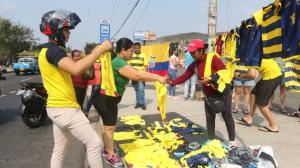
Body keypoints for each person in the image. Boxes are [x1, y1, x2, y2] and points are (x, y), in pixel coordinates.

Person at [39, 10, 112, 168]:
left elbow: (76, 67)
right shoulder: (53, 51)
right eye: (66, 30)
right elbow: (75, 69)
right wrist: (99, 50)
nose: (68, 34)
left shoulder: (46, 51)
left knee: (60, 148)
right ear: (57, 31)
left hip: (55, 108)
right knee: (95, 144)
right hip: (65, 109)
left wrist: (94, 53)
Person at [92, 38, 166, 167]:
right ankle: (110, 155)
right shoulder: (118, 62)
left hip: (108, 99)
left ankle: (108, 148)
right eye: (131, 51)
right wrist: (158, 78)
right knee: (109, 127)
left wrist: (156, 77)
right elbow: (137, 76)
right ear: (123, 51)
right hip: (104, 99)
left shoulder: (121, 61)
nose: (132, 53)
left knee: (109, 127)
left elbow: (139, 72)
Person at [168, 39, 236, 146]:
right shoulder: (194, 65)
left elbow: (224, 72)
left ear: (201, 50)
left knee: (227, 116)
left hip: (222, 92)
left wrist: (209, 79)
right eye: (190, 52)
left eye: (193, 52)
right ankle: (211, 139)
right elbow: (184, 76)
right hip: (209, 95)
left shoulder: (212, 58)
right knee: (209, 117)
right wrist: (171, 82)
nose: (191, 54)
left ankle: (232, 142)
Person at [236, 59, 282, 132]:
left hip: (271, 77)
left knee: (262, 104)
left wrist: (239, 75)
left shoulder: (250, 57)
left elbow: (252, 75)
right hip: (270, 75)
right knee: (253, 94)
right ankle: (249, 118)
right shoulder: (252, 52)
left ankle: (273, 126)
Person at [128, 42, 148, 110]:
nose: (136, 49)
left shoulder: (143, 55)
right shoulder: (131, 55)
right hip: (133, 75)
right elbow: (129, 65)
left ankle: (142, 103)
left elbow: (146, 66)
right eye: (135, 48)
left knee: (141, 89)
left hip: (141, 75)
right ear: (133, 48)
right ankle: (138, 103)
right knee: (137, 89)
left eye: (138, 48)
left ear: (140, 48)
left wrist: (145, 75)